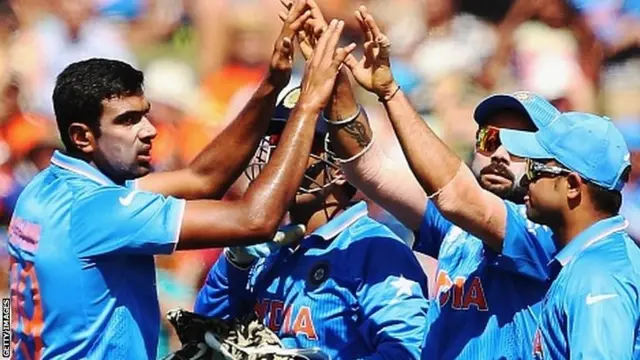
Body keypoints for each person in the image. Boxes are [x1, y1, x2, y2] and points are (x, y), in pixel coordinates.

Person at [7, 3, 357, 358]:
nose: (149, 131)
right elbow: (256, 220)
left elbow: (202, 179)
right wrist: (308, 105)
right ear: (82, 137)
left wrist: (272, 82)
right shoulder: (98, 212)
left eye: (144, 115)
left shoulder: (44, 188)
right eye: (128, 121)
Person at [323, 5, 559, 358]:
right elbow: (367, 167)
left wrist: (389, 91)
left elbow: (458, 197)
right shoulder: (456, 227)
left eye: (520, 146)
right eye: (489, 140)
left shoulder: (546, 231)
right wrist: (332, 73)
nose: (499, 155)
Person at [193, 69, 429, 360]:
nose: (284, 159)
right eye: (277, 146)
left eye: (302, 145)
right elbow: (206, 333)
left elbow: (409, 352)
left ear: (344, 167)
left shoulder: (376, 249)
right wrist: (233, 266)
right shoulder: (263, 246)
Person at [499, 112, 640, 359]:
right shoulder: (592, 260)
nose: (523, 180)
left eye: (534, 168)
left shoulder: (598, 275)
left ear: (573, 185)